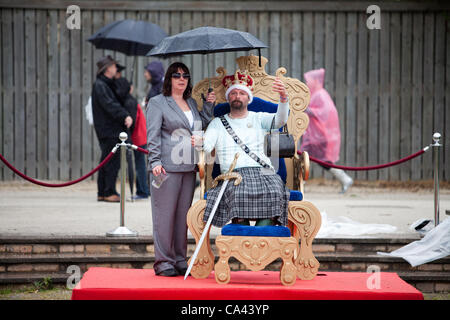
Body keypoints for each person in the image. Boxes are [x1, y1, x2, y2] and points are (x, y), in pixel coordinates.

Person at [192, 70, 290, 228]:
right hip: (234, 174)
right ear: (228, 97)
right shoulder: (217, 122)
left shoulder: (258, 118)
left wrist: (284, 98)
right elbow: (207, 144)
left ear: (248, 98)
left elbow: (280, 120)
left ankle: (260, 236)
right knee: (238, 193)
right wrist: (199, 141)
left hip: (263, 172)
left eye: (242, 93)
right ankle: (241, 237)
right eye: (234, 93)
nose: (237, 96)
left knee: (275, 189)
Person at [146, 62, 216, 277]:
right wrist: (155, 162)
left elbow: (202, 125)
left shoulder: (191, 102)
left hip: (189, 166)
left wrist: (209, 106)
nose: (181, 78)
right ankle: (163, 261)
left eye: (185, 75)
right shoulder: (158, 103)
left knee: (181, 217)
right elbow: (153, 134)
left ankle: (178, 258)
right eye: (176, 75)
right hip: (165, 167)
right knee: (164, 216)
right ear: (169, 79)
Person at [301, 68, 353, 193]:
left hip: (319, 136)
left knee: (308, 158)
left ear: (316, 81)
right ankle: (345, 179)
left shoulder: (320, 94)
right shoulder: (316, 94)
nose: (307, 83)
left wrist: (308, 110)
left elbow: (325, 111)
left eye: (309, 81)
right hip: (315, 136)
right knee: (309, 159)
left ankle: (299, 184)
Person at [92, 55, 133, 203]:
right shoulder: (101, 85)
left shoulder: (106, 84)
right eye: (114, 66)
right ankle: (108, 191)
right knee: (111, 161)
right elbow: (110, 105)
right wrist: (125, 116)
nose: (116, 69)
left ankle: (102, 192)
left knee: (106, 159)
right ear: (108, 68)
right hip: (109, 129)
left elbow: (116, 99)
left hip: (108, 129)